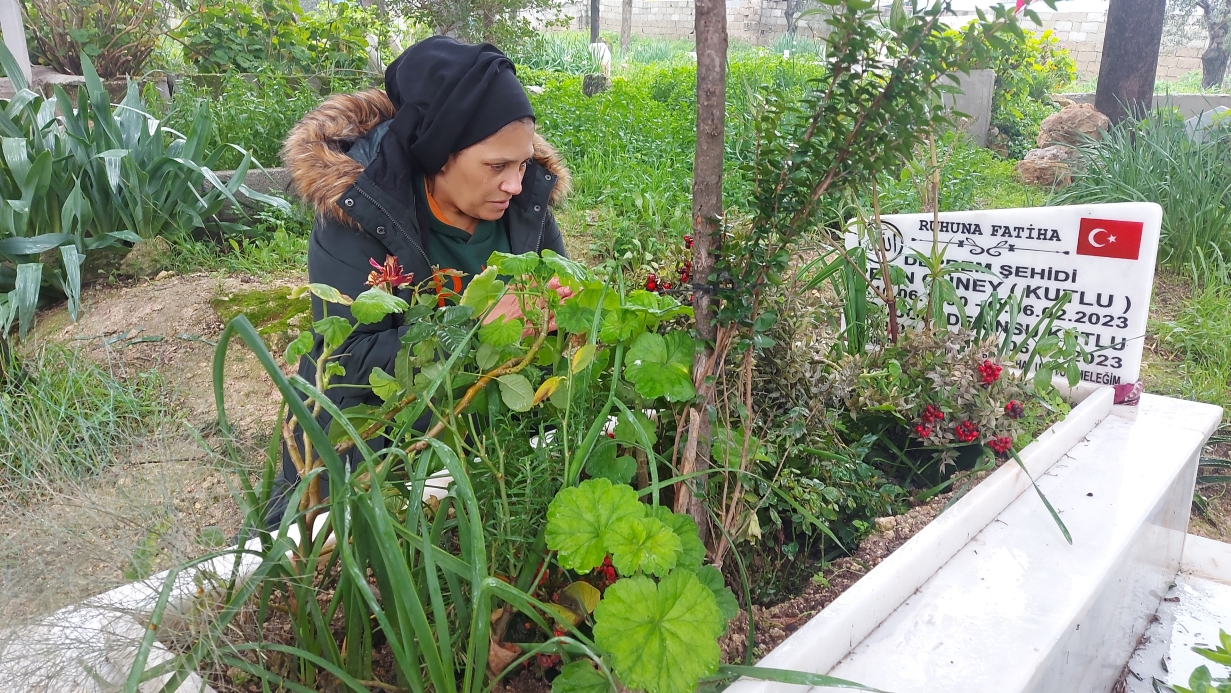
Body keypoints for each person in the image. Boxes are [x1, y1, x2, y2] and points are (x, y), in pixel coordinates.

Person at [269, 36, 573, 525]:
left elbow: (555, 296)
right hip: (378, 440)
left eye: (522, 163)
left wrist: (563, 314)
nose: (516, 184)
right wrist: (475, 324)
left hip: (491, 430)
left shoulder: (525, 204)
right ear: (437, 154)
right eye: (496, 166)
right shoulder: (360, 210)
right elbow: (347, 360)